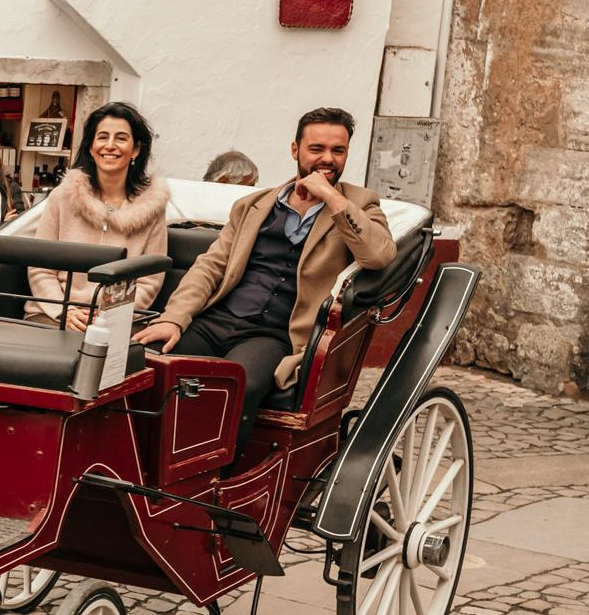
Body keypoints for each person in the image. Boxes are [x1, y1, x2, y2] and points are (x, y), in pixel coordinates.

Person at [137, 108, 395, 459]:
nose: (327, 159)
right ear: (295, 150)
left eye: (338, 151)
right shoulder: (253, 205)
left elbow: (378, 255)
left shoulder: (360, 204)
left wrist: (334, 199)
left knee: (242, 383)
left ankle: (217, 484)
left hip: (276, 333)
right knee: (147, 364)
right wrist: (173, 318)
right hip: (219, 318)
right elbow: (211, 266)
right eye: (316, 149)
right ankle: (147, 467)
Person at [26, 102, 171, 329]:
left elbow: (149, 281)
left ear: (136, 149)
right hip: (53, 313)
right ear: (92, 148)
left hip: (119, 320)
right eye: (102, 137)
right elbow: (40, 268)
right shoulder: (63, 196)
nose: (110, 146)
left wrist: (108, 315)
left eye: (121, 138)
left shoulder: (152, 207)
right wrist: (65, 311)